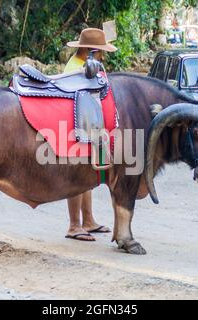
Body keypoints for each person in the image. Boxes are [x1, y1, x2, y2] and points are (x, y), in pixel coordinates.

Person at [63, 28, 117, 241]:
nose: (103, 56)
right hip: (77, 127)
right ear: (92, 51)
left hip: (89, 126)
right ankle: (74, 225)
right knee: (77, 175)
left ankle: (88, 220)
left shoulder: (87, 65)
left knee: (86, 174)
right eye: (101, 52)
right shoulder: (78, 69)